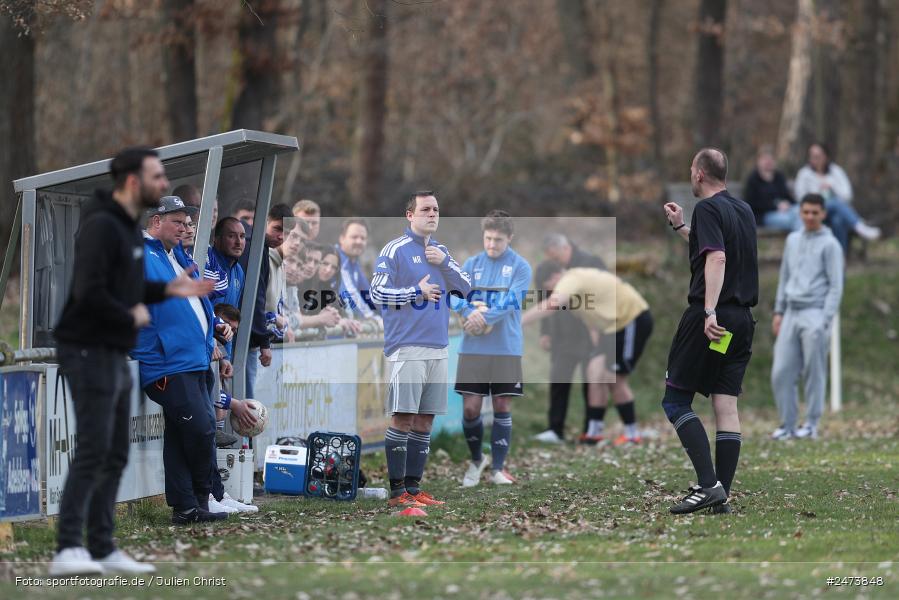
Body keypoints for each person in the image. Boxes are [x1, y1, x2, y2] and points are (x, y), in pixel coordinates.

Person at [50, 147, 215, 576]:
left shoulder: (125, 230)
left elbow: (131, 286)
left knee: (116, 451)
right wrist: (128, 314)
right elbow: (89, 292)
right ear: (130, 182)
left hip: (112, 350)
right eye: (157, 178)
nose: (164, 186)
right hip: (87, 347)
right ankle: (69, 546)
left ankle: (103, 547)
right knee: (94, 449)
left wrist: (169, 292)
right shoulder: (102, 226)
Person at [662, 147, 758, 515]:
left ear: (699, 174)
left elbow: (717, 258)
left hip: (713, 323)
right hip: (740, 323)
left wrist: (709, 310)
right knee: (724, 403)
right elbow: (712, 249)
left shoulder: (708, 208)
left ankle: (708, 485)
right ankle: (722, 497)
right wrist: (681, 227)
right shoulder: (743, 209)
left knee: (675, 400)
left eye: (690, 169)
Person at [371, 191, 471, 512]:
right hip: (407, 347)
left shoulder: (441, 252)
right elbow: (377, 291)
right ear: (409, 215)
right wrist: (417, 291)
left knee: (425, 421)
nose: (432, 214)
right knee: (404, 418)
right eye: (425, 209)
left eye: (436, 209)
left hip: (438, 347)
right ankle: (397, 491)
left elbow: (467, 287)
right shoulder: (395, 250)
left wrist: (446, 266)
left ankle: (414, 488)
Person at [522, 265, 653, 446]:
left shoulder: (571, 279)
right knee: (594, 371)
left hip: (631, 319)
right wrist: (598, 350)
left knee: (614, 378)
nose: (552, 291)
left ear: (555, 276)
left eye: (549, 287)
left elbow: (552, 304)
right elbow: (592, 323)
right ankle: (593, 433)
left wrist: (520, 321)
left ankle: (632, 434)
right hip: (610, 328)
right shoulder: (576, 292)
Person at [453, 210, 531, 487]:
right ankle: (477, 459)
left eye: (498, 240)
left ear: (509, 238)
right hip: (473, 348)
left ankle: (498, 467)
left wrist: (483, 318)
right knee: (471, 410)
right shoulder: (472, 264)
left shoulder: (521, 267)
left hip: (506, 348)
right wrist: (466, 310)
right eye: (487, 238)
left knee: (501, 404)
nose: (491, 244)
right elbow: (454, 295)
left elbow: (512, 301)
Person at [770, 194, 844, 440]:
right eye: (806, 212)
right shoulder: (792, 240)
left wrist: (825, 319)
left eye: (815, 212)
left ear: (823, 214)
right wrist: (779, 311)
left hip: (815, 312)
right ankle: (788, 425)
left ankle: (811, 423)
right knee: (781, 372)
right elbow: (785, 277)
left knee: (814, 370)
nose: (810, 217)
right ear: (800, 213)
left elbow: (836, 286)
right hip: (791, 311)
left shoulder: (831, 245)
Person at [533, 233, 607, 444]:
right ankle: (555, 429)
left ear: (565, 248)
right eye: (550, 258)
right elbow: (545, 299)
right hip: (561, 335)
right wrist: (544, 331)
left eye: (556, 258)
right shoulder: (548, 270)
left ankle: (591, 431)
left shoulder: (592, 263)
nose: (553, 262)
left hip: (588, 334)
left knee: (591, 382)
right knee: (558, 380)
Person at [239, 203, 293, 397]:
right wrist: (264, 342)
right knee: (244, 404)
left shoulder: (261, 249)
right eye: (277, 229)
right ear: (264, 222)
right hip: (241, 341)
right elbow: (254, 298)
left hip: (248, 340)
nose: (281, 236)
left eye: (286, 233)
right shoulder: (253, 249)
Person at [793, 142, 880, 252]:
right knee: (834, 203)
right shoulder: (804, 173)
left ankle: (840, 255)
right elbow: (800, 197)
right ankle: (859, 226)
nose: (815, 159)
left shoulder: (836, 171)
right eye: (812, 156)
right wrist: (818, 193)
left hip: (833, 213)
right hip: (813, 212)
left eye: (818, 156)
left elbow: (847, 196)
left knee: (838, 220)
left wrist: (832, 186)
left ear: (825, 156)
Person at [743, 145, 799, 231]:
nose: (768, 162)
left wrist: (789, 203)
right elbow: (751, 203)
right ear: (758, 161)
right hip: (764, 215)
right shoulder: (753, 179)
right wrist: (776, 206)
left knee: (800, 211)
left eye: (771, 159)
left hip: (784, 211)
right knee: (789, 220)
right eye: (765, 159)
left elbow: (786, 196)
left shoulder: (779, 176)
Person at [338, 218, 377, 321]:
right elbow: (350, 294)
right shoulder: (337, 258)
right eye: (354, 237)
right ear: (342, 238)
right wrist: (372, 317)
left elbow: (369, 295)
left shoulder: (354, 262)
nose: (359, 241)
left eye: (363, 238)